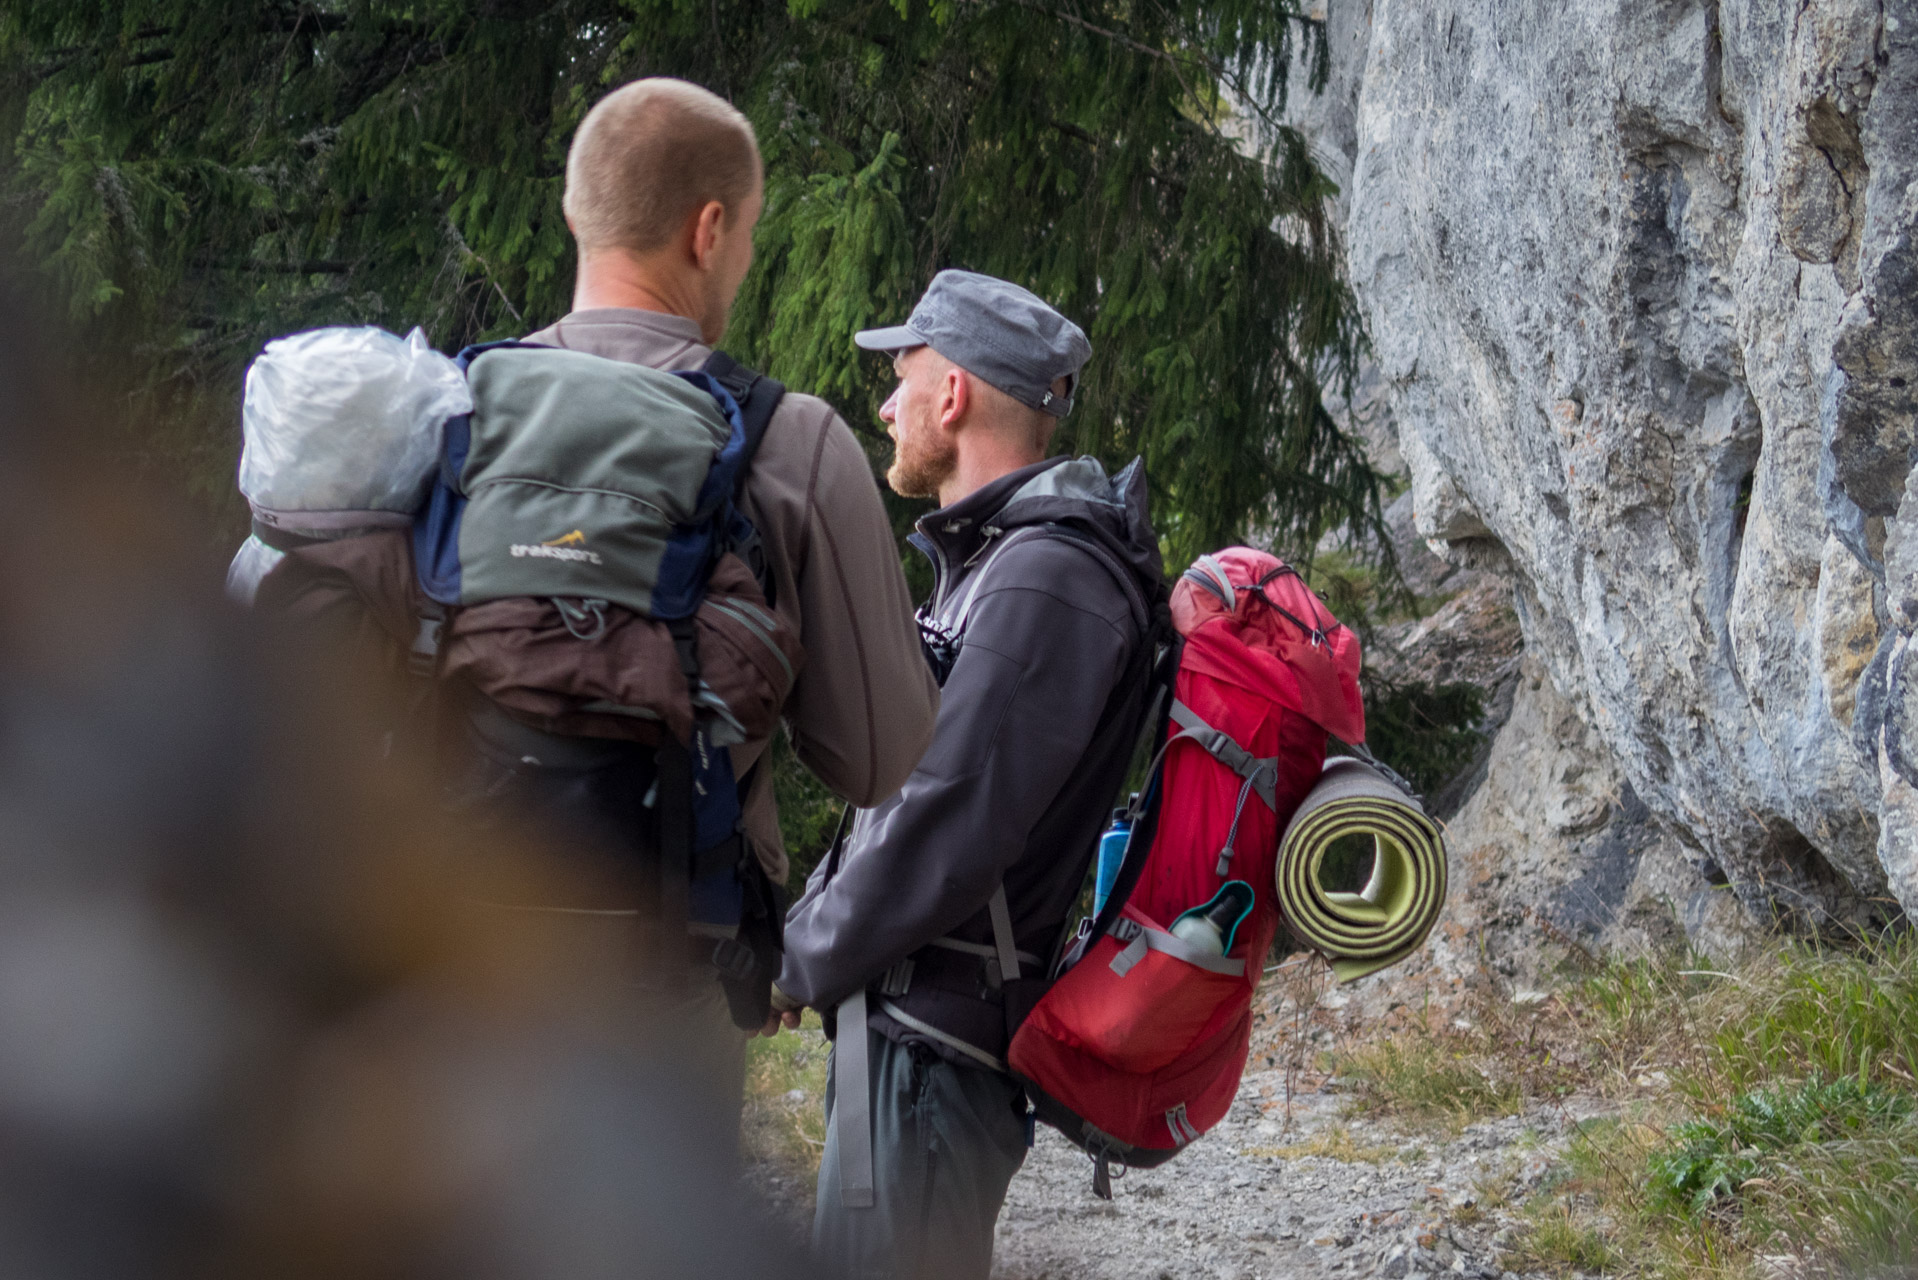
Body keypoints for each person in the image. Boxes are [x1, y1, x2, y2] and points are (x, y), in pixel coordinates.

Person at [519, 79, 939, 1120]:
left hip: (440, 957)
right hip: (664, 979)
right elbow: (880, 759)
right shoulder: (787, 440)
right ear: (709, 230)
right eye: (747, 236)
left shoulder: (446, 408)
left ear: (577, 212)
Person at [774, 270, 1165, 1280]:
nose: (887, 405)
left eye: (902, 379)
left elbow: (950, 816)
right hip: (910, 1045)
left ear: (953, 394)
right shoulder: (1004, 567)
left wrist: (799, 955)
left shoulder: (1048, 575)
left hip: (932, 1057)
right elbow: (907, 797)